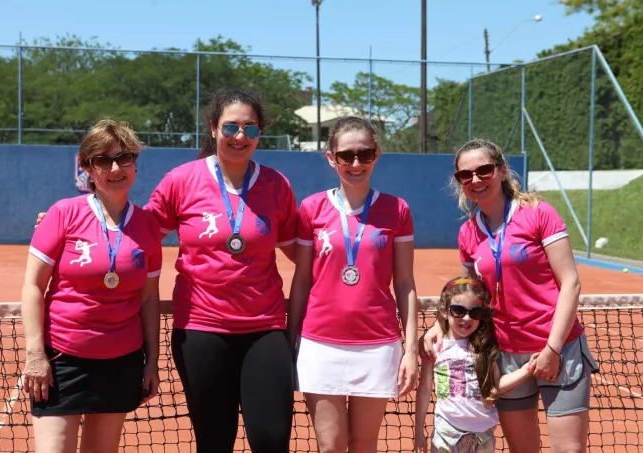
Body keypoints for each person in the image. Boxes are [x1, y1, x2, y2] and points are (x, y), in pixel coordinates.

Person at [144, 88, 298, 453]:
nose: (240, 137)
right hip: (201, 328)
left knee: (272, 439)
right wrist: (80, 221)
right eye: (231, 127)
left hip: (265, 327)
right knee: (214, 442)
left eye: (250, 129)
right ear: (214, 128)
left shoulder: (276, 185)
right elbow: (140, 231)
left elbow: (298, 250)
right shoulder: (182, 180)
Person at [421, 138, 599, 453]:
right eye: (466, 175)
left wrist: (552, 350)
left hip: (560, 347)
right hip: (504, 353)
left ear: (502, 171)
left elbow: (570, 283)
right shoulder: (468, 232)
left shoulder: (538, 213)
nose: (476, 179)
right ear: (460, 182)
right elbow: (470, 292)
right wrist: (440, 323)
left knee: (568, 449)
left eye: (484, 170)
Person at [21, 119, 162, 453]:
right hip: (62, 360)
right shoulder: (63, 213)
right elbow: (32, 286)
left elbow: (148, 299)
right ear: (88, 167)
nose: (115, 168)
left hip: (121, 361)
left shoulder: (147, 226)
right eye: (103, 160)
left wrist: (152, 361)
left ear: (134, 163)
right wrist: (35, 355)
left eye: (124, 157)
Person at [287, 116, 419, 452]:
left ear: (377, 154)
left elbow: (404, 283)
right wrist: (291, 341)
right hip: (320, 344)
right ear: (331, 158)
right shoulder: (311, 209)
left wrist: (412, 349)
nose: (356, 163)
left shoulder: (397, 209)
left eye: (365, 153)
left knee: (363, 445)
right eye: (346, 155)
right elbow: (302, 280)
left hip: (377, 345)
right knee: (330, 446)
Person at [414, 276, 538, 453]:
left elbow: (495, 386)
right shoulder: (435, 346)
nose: (466, 318)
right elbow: (425, 389)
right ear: (444, 311)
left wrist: (527, 369)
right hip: (446, 434)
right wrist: (418, 431)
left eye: (475, 312)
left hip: (483, 436)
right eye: (458, 310)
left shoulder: (485, 347)